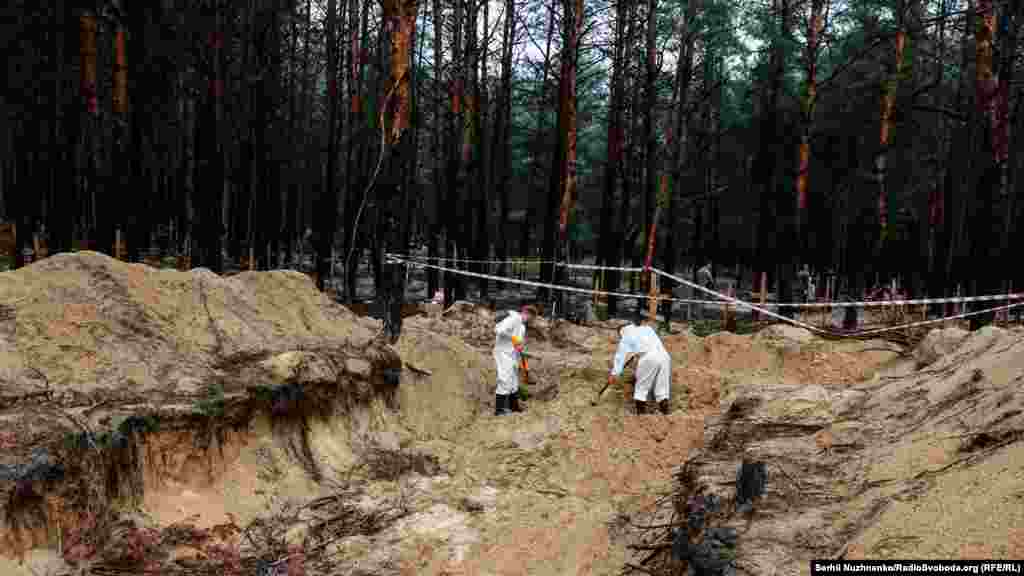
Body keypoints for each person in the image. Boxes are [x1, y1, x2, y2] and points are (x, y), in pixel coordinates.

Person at [607, 317, 673, 415]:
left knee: (641, 388)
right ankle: (666, 414)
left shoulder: (626, 335)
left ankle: (641, 417)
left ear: (621, 332)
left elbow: (620, 356)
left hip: (649, 357)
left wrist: (614, 374)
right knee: (662, 388)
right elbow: (643, 345)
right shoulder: (647, 329)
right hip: (665, 356)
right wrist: (634, 354)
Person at [493, 303, 537, 416]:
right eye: (530, 318)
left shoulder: (521, 326)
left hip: (512, 355)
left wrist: (521, 352)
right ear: (526, 313)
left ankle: (514, 407)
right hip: (503, 353)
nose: (530, 321)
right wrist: (513, 338)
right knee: (505, 380)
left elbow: (517, 342)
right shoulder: (514, 318)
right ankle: (499, 410)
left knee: (513, 382)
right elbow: (498, 330)